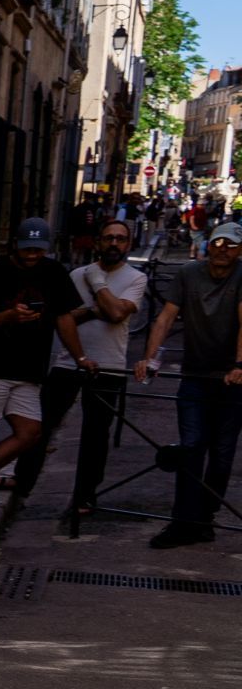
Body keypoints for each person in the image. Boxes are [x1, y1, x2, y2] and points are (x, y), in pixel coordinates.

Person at [0, 217, 96, 521]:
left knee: (31, 432)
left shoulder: (54, 272)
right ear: (15, 245)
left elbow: (64, 318)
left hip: (29, 370)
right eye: (28, 249)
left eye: (39, 250)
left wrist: (81, 357)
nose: (33, 256)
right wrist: (7, 317)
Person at [12, 219, 147, 511]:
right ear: (98, 242)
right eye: (108, 238)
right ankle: (22, 483)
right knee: (41, 425)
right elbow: (64, 317)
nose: (114, 243)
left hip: (109, 366)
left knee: (95, 435)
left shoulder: (136, 278)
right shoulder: (75, 275)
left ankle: (85, 495)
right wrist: (98, 309)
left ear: (129, 244)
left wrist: (97, 284)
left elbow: (116, 313)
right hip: (68, 362)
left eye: (120, 239)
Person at [134, 222, 242, 548]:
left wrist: (239, 364)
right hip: (195, 374)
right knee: (192, 445)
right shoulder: (189, 273)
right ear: (208, 244)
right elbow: (166, 317)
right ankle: (183, 521)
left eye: (231, 244)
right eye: (217, 241)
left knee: (222, 455)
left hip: (233, 380)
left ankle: (204, 520)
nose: (223, 248)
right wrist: (149, 358)